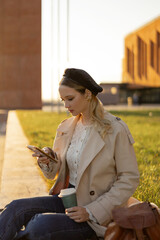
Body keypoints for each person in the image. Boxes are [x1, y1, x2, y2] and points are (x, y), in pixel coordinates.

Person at [0, 68, 139, 240]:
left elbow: (129, 178)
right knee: (14, 208)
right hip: (66, 200)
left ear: (87, 94)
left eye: (70, 99)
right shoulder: (66, 127)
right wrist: (48, 161)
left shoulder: (115, 129)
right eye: (63, 100)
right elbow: (55, 173)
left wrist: (91, 211)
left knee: (39, 225)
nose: (65, 106)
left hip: (94, 214)